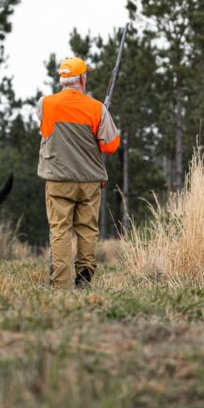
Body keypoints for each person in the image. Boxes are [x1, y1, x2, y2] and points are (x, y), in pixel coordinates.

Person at [37, 57, 120, 288]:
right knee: (87, 229)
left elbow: (45, 128)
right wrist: (100, 121)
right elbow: (110, 146)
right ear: (82, 78)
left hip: (58, 180)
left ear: (62, 79)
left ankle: (60, 284)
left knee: (60, 230)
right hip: (89, 181)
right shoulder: (97, 108)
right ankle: (84, 279)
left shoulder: (45, 104)